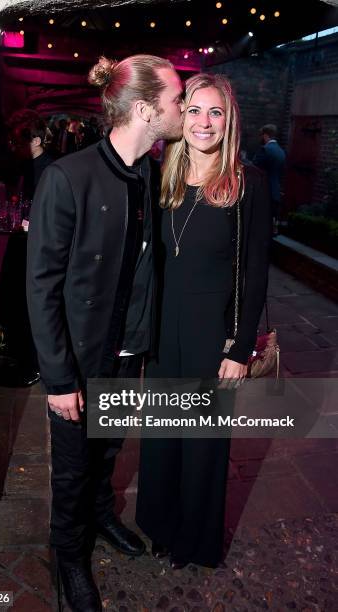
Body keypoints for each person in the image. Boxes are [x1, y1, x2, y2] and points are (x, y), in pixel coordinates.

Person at [26, 55, 183, 612]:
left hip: (126, 354)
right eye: (176, 100)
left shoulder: (148, 173)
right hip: (80, 362)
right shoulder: (67, 178)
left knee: (108, 451)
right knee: (71, 469)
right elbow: (41, 286)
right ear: (144, 109)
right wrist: (59, 379)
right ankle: (68, 557)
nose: (181, 109)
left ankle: (99, 517)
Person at [136, 73, 271, 569]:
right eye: (194, 110)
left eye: (215, 112)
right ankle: (161, 526)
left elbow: (255, 273)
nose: (203, 122)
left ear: (228, 119)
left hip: (211, 332)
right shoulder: (159, 176)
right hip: (162, 328)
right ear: (181, 116)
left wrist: (238, 350)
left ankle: (194, 540)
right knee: (163, 435)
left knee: (202, 445)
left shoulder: (246, 182)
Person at [0, 109, 53, 386]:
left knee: (31, 305)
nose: (14, 146)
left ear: (37, 140)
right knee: (12, 300)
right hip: (21, 243)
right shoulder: (23, 165)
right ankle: (16, 355)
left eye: (19, 141)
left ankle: (33, 362)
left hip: (40, 247)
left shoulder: (51, 169)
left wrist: (33, 224)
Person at [253, 123, 286, 231]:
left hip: (263, 190)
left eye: (261, 135)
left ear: (265, 135)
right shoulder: (282, 152)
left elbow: (254, 168)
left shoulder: (265, 149)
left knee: (259, 223)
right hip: (275, 190)